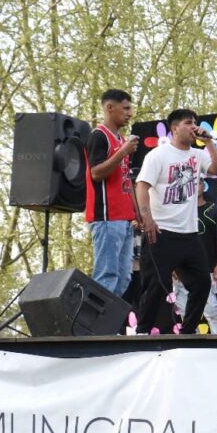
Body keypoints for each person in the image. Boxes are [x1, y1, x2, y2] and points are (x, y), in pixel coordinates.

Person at [135, 109, 217, 334]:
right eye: (188, 123)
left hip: (189, 234)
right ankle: (141, 333)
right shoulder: (158, 155)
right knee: (156, 286)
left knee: (203, 284)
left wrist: (208, 143)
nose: (193, 126)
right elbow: (142, 186)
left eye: (195, 122)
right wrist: (147, 219)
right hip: (161, 232)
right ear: (174, 128)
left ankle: (187, 333)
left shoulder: (197, 155)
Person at [85, 88, 139, 297]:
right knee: (106, 276)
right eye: (125, 108)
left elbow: (125, 180)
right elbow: (96, 173)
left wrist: (136, 214)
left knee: (124, 276)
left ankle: (105, 326)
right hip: (106, 217)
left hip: (124, 219)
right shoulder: (99, 136)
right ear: (110, 108)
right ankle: (94, 329)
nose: (130, 113)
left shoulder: (120, 139)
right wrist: (122, 152)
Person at [172, 189, 217, 334]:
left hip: (205, 269)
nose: (196, 186)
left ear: (203, 186)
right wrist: (173, 265)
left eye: (199, 182)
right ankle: (191, 343)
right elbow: (171, 237)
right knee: (185, 311)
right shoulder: (178, 210)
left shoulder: (215, 209)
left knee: (211, 310)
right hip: (181, 271)